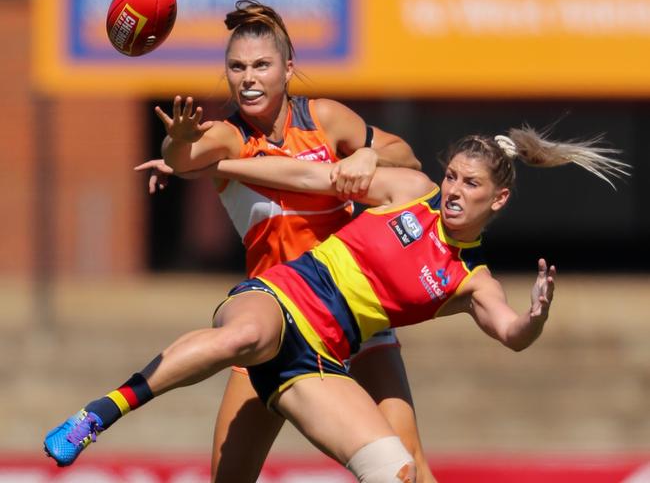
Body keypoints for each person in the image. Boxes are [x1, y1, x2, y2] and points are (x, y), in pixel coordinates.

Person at [44, 123, 628, 481]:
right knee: (242, 340)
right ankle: (101, 411)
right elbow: (304, 177)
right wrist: (205, 166)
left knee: (394, 472)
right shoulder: (410, 192)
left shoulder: (473, 278)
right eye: (451, 176)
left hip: (320, 359)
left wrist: (534, 318)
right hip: (278, 298)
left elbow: (510, 333)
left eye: (470, 185)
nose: (453, 190)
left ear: (499, 199)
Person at [135, 0, 435, 482]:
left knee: (411, 466)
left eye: (260, 65)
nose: (248, 78)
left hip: (354, 315)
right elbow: (187, 155)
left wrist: (368, 157)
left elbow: (410, 161)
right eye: (236, 67)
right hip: (273, 320)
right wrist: (176, 143)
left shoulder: (324, 117)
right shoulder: (228, 137)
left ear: (288, 68)